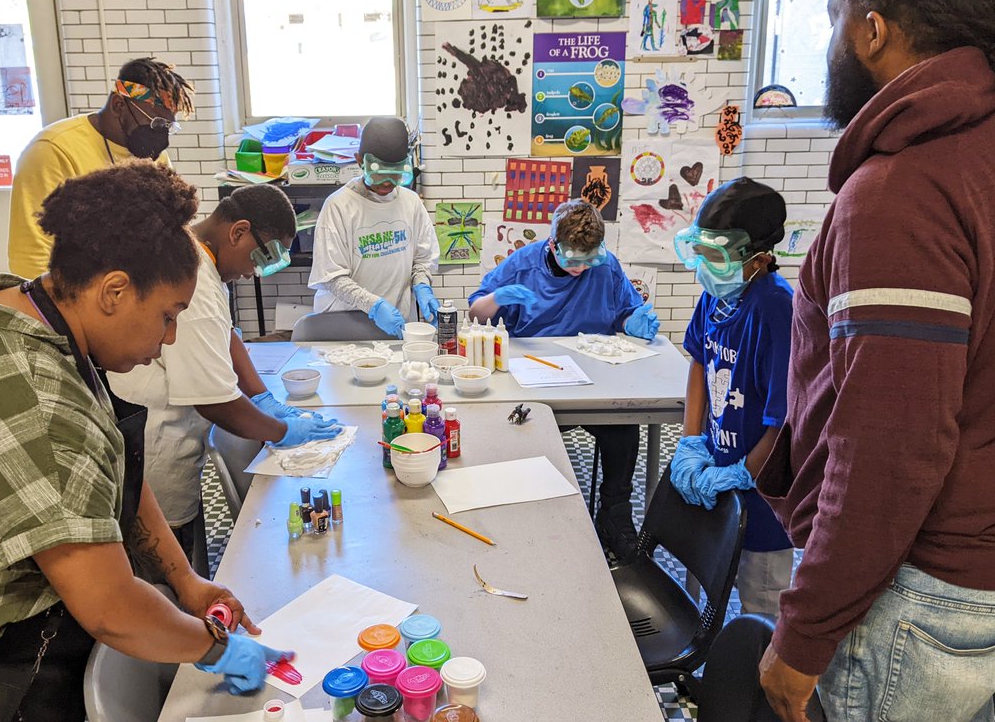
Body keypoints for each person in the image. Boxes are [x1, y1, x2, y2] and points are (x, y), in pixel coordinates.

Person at [0, 164, 289, 722]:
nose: (171, 338)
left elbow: (113, 470)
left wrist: (184, 580)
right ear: (114, 291)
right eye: (167, 315)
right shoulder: (31, 397)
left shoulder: (27, 308)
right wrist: (217, 647)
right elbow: (111, 609)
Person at [754, 0, 995, 722]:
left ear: (872, 29)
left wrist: (803, 637)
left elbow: (889, 448)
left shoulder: (903, 186)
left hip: (922, 588)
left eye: (835, 18)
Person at [108, 184, 341, 570]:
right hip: (158, 447)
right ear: (238, 232)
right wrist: (280, 432)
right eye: (262, 257)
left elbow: (227, 335)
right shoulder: (195, 281)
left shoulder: (200, 260)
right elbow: (214, 399)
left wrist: (264, 397)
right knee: (166, 574)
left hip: (169, 441)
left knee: (183, 559)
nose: (254, 273)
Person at [468, 199, 660, 558]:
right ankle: (528, 514)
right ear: (552, 245)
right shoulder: (523, 265)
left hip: (594, 379)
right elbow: (476, 313)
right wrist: (497, 297)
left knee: (624, 424)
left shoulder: (606, 268)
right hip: (532, 380)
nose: (581, 268)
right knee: (516, 436)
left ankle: (614, 512)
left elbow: (624, 311)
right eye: (572, 260)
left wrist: (631, 321)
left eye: (590, 260)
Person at [667, 177, 794, 616]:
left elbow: (783, 421)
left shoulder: (777, 310)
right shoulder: (716, 297)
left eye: (713, 256)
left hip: (761, 492)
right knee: (707, 575)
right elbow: (700, 361)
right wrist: (689, 441)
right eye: (697, 251)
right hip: (717, 465)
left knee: (760, 601)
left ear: (756, 258)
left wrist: (743, 474)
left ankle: (758, 679)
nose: (703, 265)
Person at [8, 57, 195, 279]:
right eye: (156, 123)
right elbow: (32, 259)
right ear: (118, 106)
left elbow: (170, 231)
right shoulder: (54, 150)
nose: (161, 135)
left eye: (168, 126)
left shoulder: (154, 157)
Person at [308, 117, 440, 337]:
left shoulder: (411, 202)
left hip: (394, 324)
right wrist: (374, 306)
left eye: (396, 172)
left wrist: (422, 285)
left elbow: (422, 260)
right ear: (359, 160)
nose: (388, 181)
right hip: (344, 326)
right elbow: (332, 277)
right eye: (380, 172)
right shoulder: (339, 206)